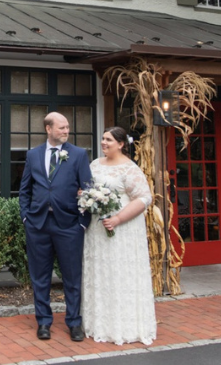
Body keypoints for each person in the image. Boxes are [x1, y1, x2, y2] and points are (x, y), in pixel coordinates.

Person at [19, 112, 92, 342]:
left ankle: (74, 323)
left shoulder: (79, 154)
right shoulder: (33, 155)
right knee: (40, 277)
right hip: (38, 225)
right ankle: (43, 322)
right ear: (48, 129)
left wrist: (82, 222)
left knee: (72, 277)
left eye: (67, 127)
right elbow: (25, 190)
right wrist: (25, 218)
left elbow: (88, 189)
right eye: (61, 127)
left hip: (69, 225)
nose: (65, 131)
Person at [81, 126, 157, 345]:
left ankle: (125, 326)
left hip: (122, 230)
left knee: (120, 273)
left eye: (109, 140)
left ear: (122, 144)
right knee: (101, 273)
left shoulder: (129, 168)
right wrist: (86, 197)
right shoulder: (95, 164)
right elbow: (87, 188)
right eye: (103, 139)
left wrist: (117, 219)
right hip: (97, 229)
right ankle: (99, 324)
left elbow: (144, 199)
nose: (104, 143)